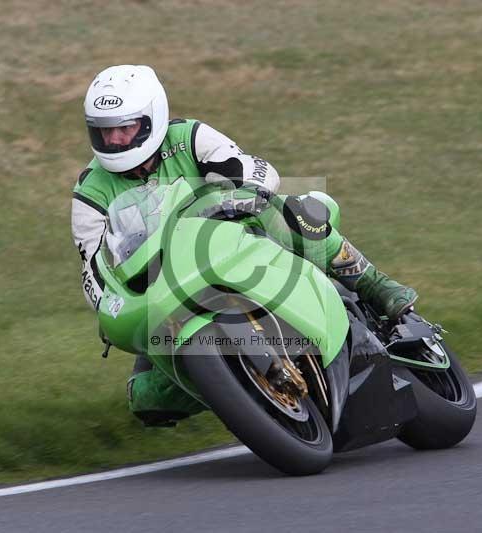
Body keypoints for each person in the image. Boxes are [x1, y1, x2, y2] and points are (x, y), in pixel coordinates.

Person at [71, 65, 418, 426]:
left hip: (231, 240)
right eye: (104, 132)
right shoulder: (89, 192)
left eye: (124, 129)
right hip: (167, 288)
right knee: (144, 397)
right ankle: (238, 387)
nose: (114, 141)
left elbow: (252, 167)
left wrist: (246, 193)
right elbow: (93, 271)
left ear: (151, 120)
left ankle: (374, 284)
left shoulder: (188, 137)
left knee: (291, 213)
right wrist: (112, 307)